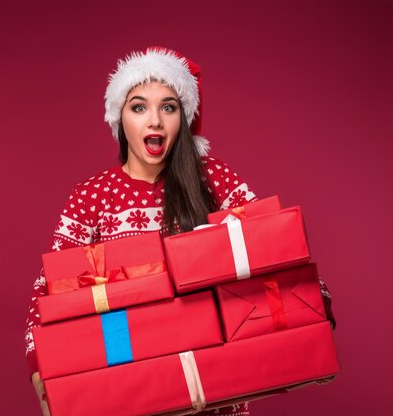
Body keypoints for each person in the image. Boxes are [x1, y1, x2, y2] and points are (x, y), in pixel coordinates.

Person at [24, 46, 335, 416]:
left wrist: (315, 307)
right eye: (139, 107)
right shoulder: (92, 196)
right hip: (132, 393)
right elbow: (47, 293)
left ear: (183, 118)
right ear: (119, 119)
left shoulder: (212, 178)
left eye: (168, 107)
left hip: (217, 397)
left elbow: (273, 247)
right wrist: (41, 374)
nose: (154, 121)